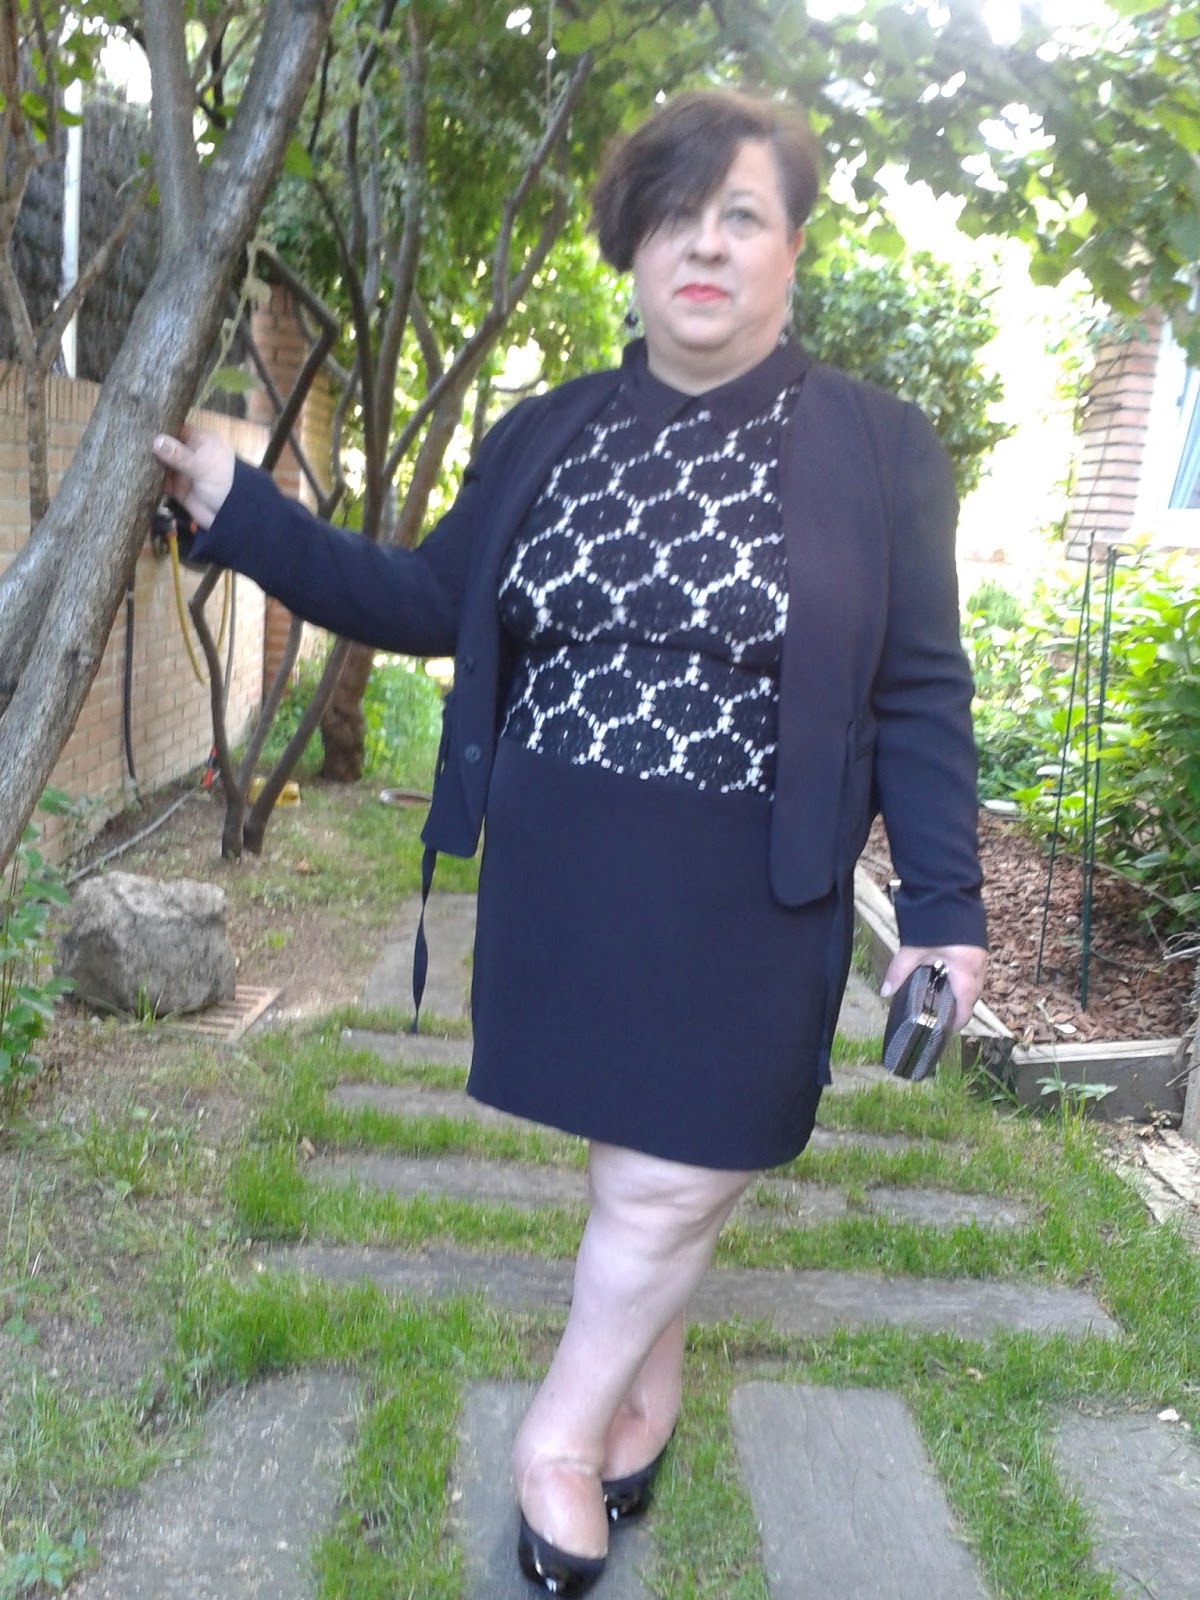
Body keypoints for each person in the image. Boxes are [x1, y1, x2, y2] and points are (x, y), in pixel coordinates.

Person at [154, 88, 987, 1597]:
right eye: (676, 216)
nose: (706, 245)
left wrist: (944, 908)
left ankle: (555, 1438)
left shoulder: (879, 447)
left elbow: (919, 686)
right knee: (638, 1173)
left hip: (757, 890)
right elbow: (424, 599)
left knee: (679, 1174)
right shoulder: (550, 432)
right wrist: (243, 511)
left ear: (792, 247)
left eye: (742, 215)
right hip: (576, 872)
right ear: (632, 247)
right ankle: (641, 1391)